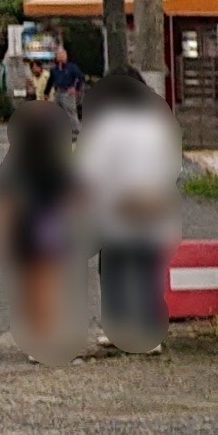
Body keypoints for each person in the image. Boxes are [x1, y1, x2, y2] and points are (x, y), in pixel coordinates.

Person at [77, 70, 181, 354]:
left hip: (117, 212)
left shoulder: (106, 127)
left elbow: (88, 172)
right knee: (149, 270)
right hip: (154, 210)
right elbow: (175, 169)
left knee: (113, 268)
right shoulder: (160, 126)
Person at [0, 97, 84, 360]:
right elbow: (74, 198)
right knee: (47, 284)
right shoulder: (58, 159)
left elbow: (3, 200)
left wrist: (1, 232)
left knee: (28, 285)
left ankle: (33, 337)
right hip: (50, 223)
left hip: (22, 224)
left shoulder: (12, 161)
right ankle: (46, 339)